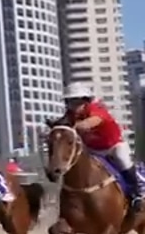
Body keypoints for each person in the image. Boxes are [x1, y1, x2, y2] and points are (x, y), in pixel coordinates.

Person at [58, 81, 141, 209]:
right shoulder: (70, 115)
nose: (72, 106)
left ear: (85, 101)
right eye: (69, 102)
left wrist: (75, 126)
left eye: (75, 102)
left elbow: (92, 122)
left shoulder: (96, 109)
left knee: (123, 161)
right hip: (93, 150)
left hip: (113, 146)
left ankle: (136, 195)